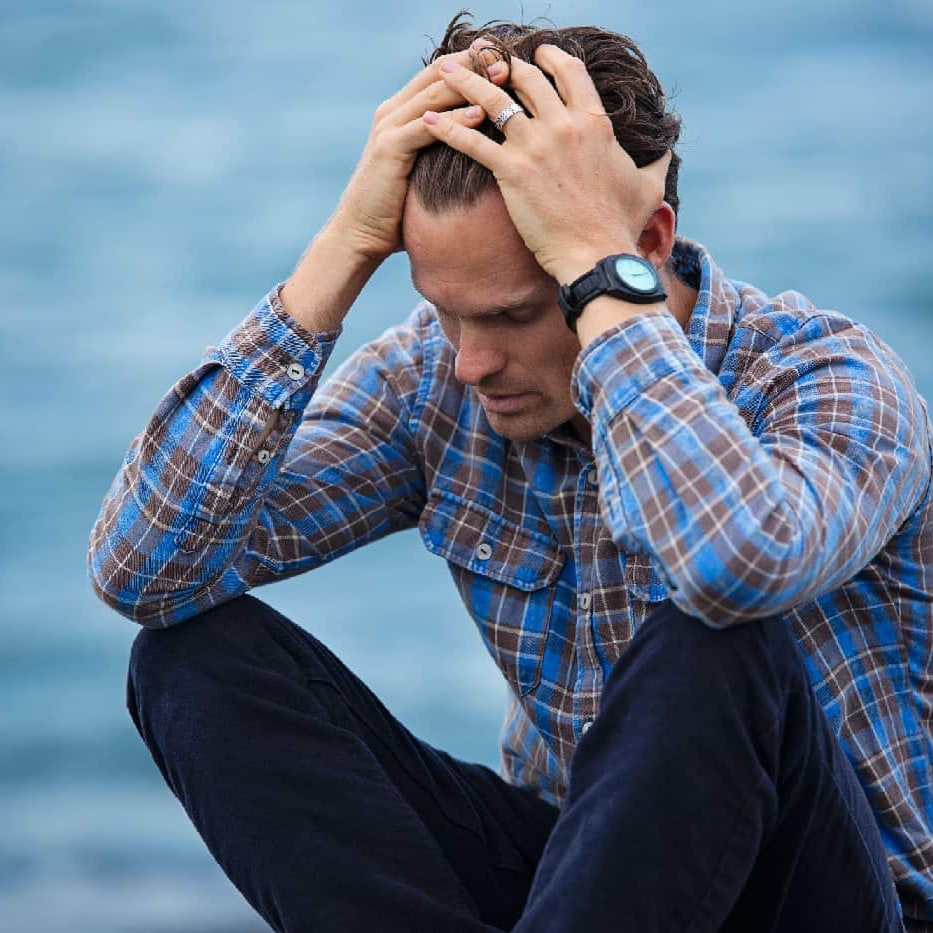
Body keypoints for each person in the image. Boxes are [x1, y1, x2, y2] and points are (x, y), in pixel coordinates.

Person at [88, 12, 933, 933]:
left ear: (644, 244)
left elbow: (732, 564)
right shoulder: (435, 383)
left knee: (716, 636)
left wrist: (594, 272)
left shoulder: (828, 378)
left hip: (831, 899)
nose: (469, 362)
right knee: (190, 660)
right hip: (582, 883)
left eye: (514, 313)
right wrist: (343, 250)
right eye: (448, 314)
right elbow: (146, 571)